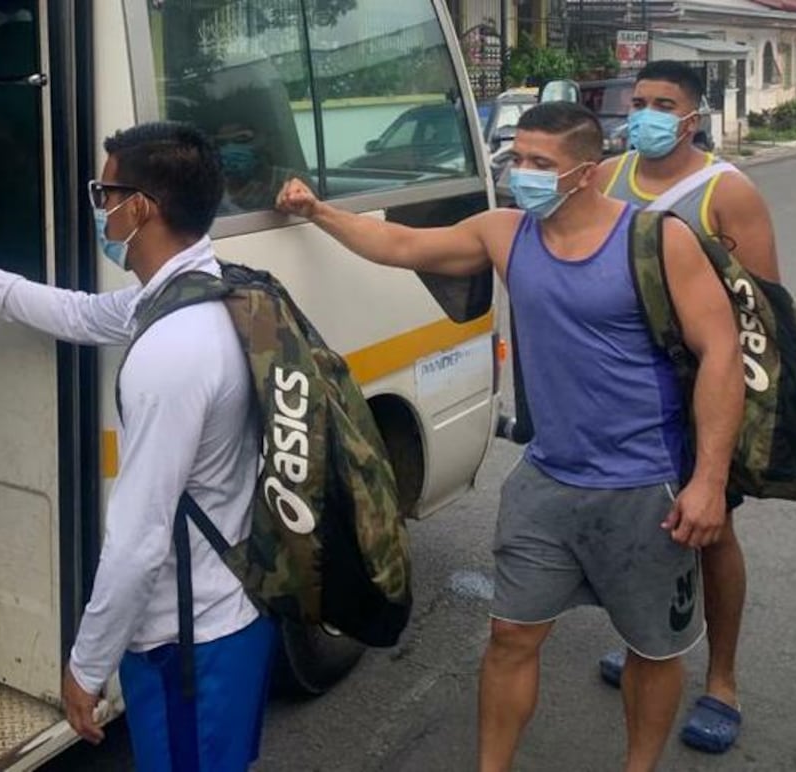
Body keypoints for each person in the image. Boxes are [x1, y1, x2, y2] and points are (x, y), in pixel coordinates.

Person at [275, 102, 745, 772]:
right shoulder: (505, 233)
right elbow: (401, 246)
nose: (521, 173)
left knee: (651, 650)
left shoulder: (656, 240)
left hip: (646, 488)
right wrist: (318, 211)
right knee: (510, 638)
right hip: (546, 481)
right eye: (516, 157)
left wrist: (709, 482)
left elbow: (720, 353)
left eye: (540, 163)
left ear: (586, 173)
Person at [0, 122, 275, 771]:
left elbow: (138, 540)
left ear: (141, 208)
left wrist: (85, 668)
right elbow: (77, 313)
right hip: (228, 614)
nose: (99, 210)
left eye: (105, 194)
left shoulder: (173, 351)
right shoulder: (205, 291)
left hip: (189, 641)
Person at [594, 59, 782, 755]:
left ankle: (722, 682)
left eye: (662, 104)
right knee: (641, 525)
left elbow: (764, 312)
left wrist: (739, 424)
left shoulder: (727, 192)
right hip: (622, 392)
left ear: (692, 118)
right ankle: (649, 645)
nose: (644, 113)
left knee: (712, 531)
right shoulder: (606, 177)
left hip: (703, 388)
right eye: (638, 100)